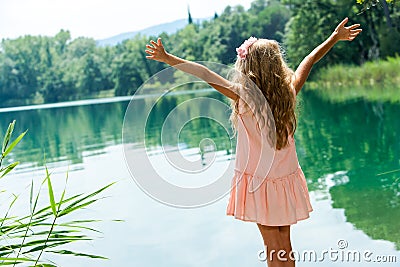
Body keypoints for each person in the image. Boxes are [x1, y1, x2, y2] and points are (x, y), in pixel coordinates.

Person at [145, 17, 362, 267]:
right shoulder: (289, 91)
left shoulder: (244, 96)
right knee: (285, 245)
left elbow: (205, 73)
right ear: (276, 65)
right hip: (285, 179)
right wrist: (334, 38)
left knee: (272, 247)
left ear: (248, 67)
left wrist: (169, 59)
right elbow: (308, 61)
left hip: (260, 183)